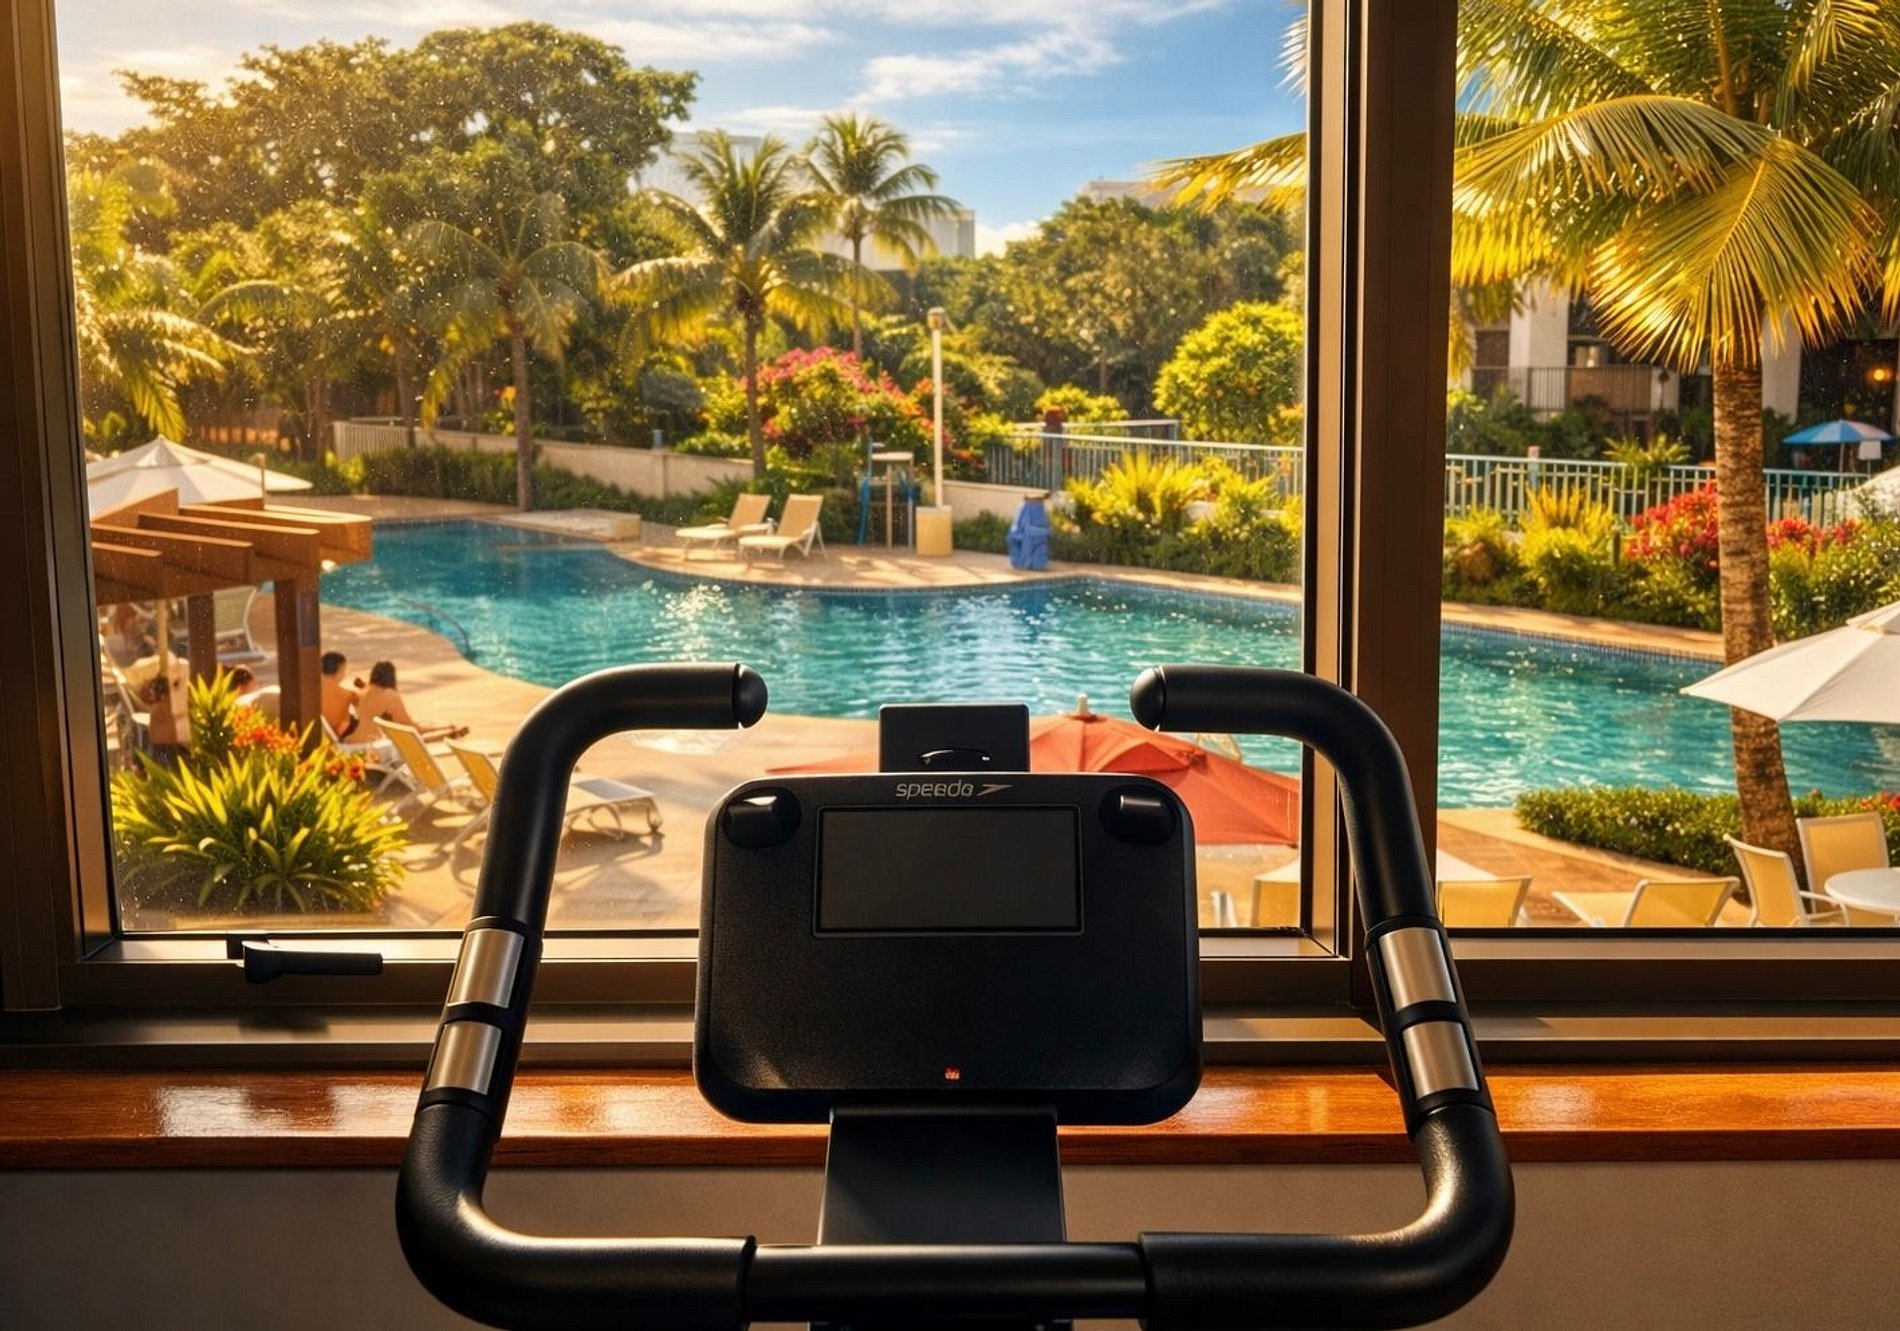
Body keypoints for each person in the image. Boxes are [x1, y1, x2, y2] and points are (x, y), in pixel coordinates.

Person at [349, 660, 468, 744]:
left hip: (355, 740)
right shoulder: (390, 695)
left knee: (422, 725)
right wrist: (445, 726)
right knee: (414, 736)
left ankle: (448, 730)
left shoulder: (359, 693)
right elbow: (412, 727)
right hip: (376, 743)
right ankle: (447, 732)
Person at [320, 651, 361, 740]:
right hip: (334, 738)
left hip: (314, 733)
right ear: (340, 670)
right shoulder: (347, 695)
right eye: (344, 670)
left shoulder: (310, 690)